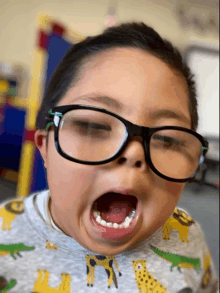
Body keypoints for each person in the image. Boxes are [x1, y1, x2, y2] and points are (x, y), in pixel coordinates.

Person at [0, 22, 219, 293]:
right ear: (45, 147)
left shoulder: (189, 236)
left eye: (168, 139)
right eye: (95, 126)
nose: (134, 152)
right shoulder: (4, 236)